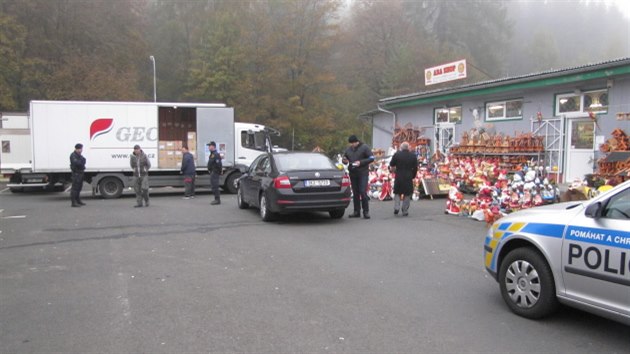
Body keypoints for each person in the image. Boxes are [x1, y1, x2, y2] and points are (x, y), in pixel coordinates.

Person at [342, 135, 374, 219]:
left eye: (353, 143)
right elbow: (344, 159)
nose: (352, 145)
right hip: (353, 173)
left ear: (357, 141)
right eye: (351, 143)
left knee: (362, 192)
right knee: (355, 193)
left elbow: (371, 158)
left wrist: (361, 162)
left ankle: (366, 211)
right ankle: (356, 211)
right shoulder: (348, 149)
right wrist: (344, 160)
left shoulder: (365, 147)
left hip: (363, 173)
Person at [389, 141, 418, 216]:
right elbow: (415, 168)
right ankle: (405, 210)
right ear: (408, 147)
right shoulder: (413, 156)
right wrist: (413, 175)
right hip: (408, 176)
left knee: (397, 192)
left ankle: (397, 207)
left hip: (399, 175)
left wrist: (393, 171)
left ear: (401, 147)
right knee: (407, 194)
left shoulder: (397, 154)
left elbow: (391, 164)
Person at [69, 143, 86, 207]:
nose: (81, 150)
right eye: (81, 149)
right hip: (76, 174)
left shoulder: (79, 155)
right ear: (77, 149)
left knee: (79, 188)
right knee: (75, 188)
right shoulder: (73, 155)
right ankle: (73, 202)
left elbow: (84, 160)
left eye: (81, 149)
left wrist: (81, 162)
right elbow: (77, 163)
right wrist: (81, 162)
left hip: (80, 173)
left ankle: (78, 200)